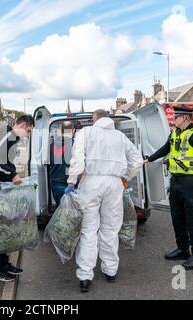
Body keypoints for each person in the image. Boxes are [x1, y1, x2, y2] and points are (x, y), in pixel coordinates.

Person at [66, 109, 143, 292]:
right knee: (110, 227)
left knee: (89, 230)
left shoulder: (86, 132)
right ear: (108, 119)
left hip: (91, 182)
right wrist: (125, 177)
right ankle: (110, 270)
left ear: (94, 119)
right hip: (114, 183)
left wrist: (71, 181)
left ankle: (85, 275)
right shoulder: (120, 137)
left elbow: (78, 159)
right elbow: (137, 161)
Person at [144, 106, 193, 270]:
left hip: (191, 183)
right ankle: (183, 249)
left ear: (184, 118)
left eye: (175, 117)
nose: (173, 119)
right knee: (177, 217)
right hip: (176, 182)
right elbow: (165, 149)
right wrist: (149, 159)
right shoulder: (175, 133)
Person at [0, 115, 35, 282]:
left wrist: (12, 173)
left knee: (4, 227)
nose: (29, 134)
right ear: (24, 125)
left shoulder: (11, 137)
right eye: (29, 130)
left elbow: (2, 161)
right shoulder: (8, 136)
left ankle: (4, 263)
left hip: (0, 189)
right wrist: (12, 175)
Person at [50, 121, 74, 208]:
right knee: (74, 213)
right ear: (73, 130)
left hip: (57, 183)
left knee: (60, 212)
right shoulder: (76, 145)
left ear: (61, 130)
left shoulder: (51, 145)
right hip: (72, 183)